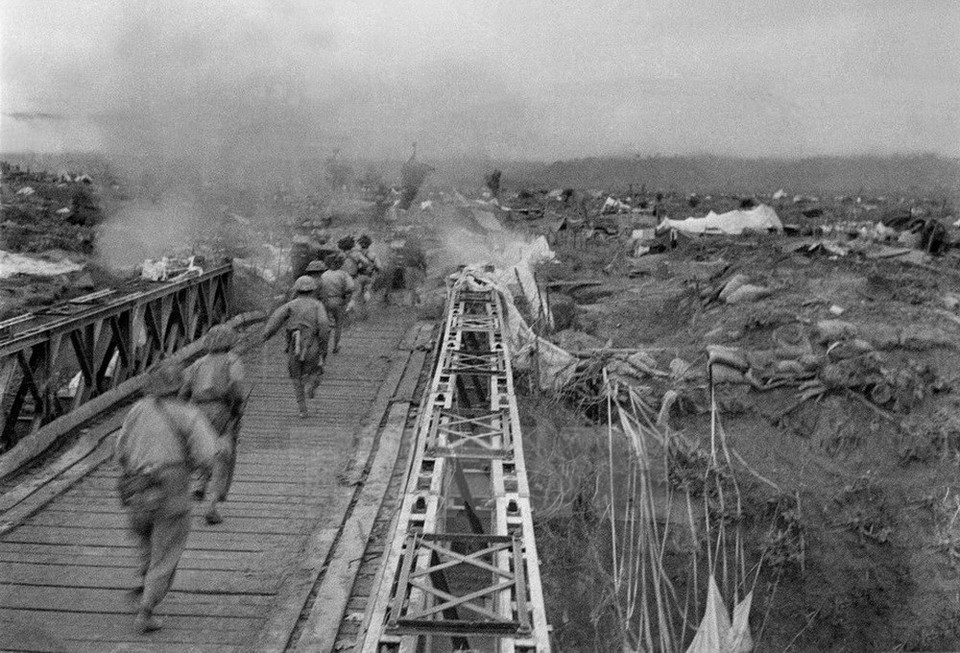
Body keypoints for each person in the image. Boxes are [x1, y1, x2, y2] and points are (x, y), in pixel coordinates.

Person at [114, 362, 218, 634]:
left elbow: (120, 449)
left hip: (136, 484)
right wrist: (200, 472)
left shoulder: (138, 409)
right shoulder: (189, 414)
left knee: (145, 539)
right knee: (167, 549)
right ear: (180, 386)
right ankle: (146, 611)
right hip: (171, 485)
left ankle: (144, 582)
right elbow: (208, 455)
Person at [179, 324, 246, 525]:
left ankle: (200, 483)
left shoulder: (197, 364)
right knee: (223, 453)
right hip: (221, 409)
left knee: (201, 448)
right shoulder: (232, 360)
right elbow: (236, 388)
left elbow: (183, 391)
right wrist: (237, 408)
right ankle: (212, 505)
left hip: (197, 410)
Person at [262, 275, 330, 418]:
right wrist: (324, 347)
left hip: (294, 345)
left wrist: (267, 334)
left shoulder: (290, 305)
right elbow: (324, 325)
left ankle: (302, 409)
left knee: (296, 376)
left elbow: (276, 319)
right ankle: (311, 383)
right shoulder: (318, 305)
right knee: (315, 370)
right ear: (313, 290)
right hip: (312, 344)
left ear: (297, 290)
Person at [318, 253, 356, 355]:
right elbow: (350, 288)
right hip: (338, 301)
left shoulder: (323, 275)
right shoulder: (343, 274)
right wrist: (345, 294)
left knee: (326, 325)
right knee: (338, 324)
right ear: (339, 263)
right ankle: (335, 346)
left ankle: (324, 346)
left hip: (325, 301)